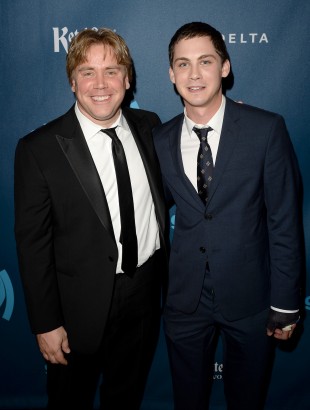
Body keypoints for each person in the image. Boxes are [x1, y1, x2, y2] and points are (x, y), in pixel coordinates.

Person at [14, 28, 168, 410]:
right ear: (72, 81)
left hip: (145, 293)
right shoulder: (39, 149)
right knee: (69, 400)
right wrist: (46, 324)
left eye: (112, 70)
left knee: (125, 397)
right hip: (76, 308)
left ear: (127, 79)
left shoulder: (151, 125)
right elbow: (33, 246)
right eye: (87, 72)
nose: (100, 84)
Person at [153, 22, 302, 410]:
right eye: (182, 64)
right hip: (184, 301)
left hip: (251, 298)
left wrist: (286, 303)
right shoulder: (160, 139)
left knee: (246, 400)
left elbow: (284, 221)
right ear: (171, 74)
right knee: (187, 401)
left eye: (205, 61)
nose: (194, 74)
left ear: (225, 67)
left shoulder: (266, 130)